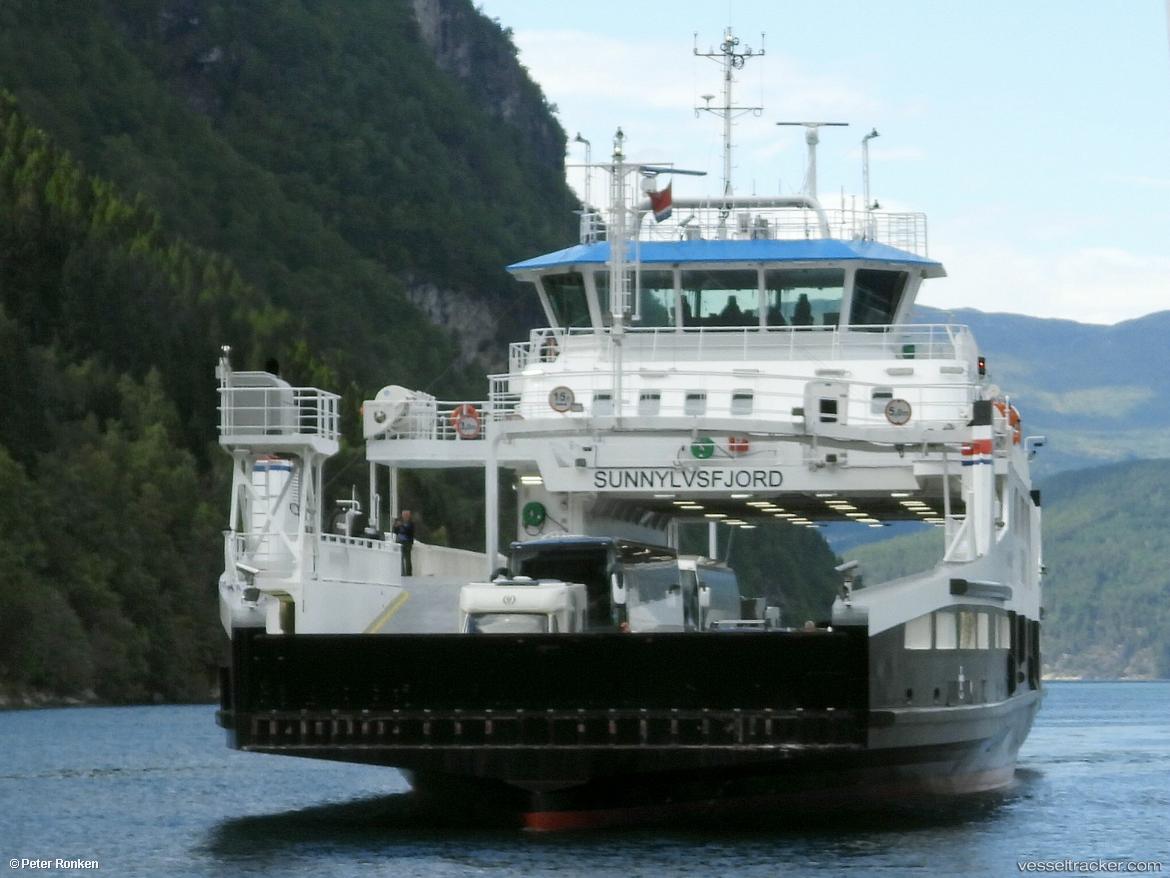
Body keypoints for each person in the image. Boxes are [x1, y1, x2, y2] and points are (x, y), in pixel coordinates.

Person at [392, 510, 416, 576]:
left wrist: (402, 526)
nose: (405, 517)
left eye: (406, 515)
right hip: (400, 542)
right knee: (400, 558)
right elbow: (395, 531)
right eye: (404, 515)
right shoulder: (399, 522)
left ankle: (408, 574)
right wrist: (396, 526)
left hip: (407, 542)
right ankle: (402, 573)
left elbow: (410, 532)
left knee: (407, 558)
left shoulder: (411, 523)